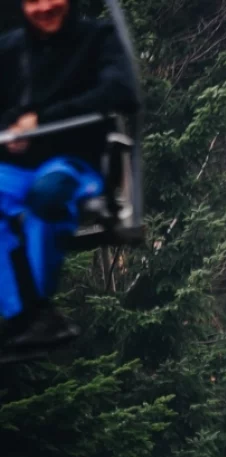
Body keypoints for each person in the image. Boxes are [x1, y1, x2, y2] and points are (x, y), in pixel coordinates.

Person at [1, 0, 139, 352]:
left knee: (48, 193)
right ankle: (25, 316)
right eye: (33, 1)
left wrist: (43, 121)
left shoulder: (97, 39)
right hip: (17, 167)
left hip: (73, 161)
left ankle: (36, 310)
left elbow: (120, 92)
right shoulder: (13, 49)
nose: (44, 8)